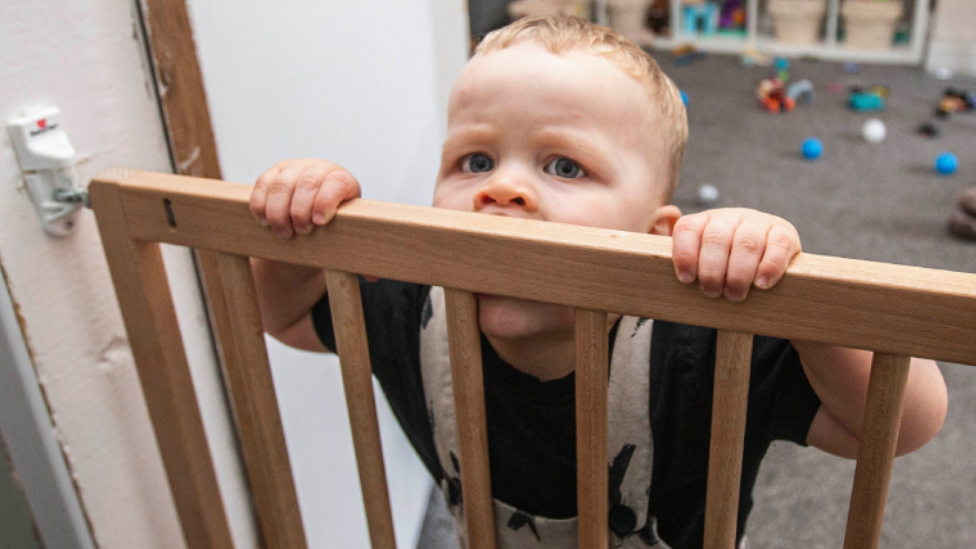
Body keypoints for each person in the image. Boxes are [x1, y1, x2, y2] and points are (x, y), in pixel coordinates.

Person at [247, 15, 947, 549]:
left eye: (564, 166)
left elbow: (901, 422)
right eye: (475, 159)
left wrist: (791, 288)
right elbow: (284, 313)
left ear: (656, 232)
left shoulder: (701, 344)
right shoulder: (414, 312)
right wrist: (298, 227)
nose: (505, 189)